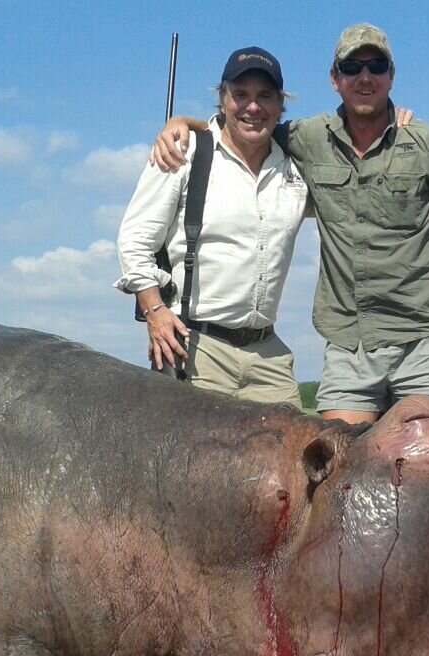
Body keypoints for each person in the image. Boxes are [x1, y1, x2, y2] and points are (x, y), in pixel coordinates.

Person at [152, 24, 429, 423]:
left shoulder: (427, 143)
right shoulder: (307, 137)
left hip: (427, 340)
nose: (365, 77)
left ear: (391, 76)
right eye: (352, 67)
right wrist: (184, 123)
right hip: (350, 344)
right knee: (336, 464)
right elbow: (245, 125)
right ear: (335, 79)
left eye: (376, 66)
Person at [115, 46, 308, 407]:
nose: (253, 107)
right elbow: (135, 238)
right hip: (196, 346)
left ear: (282, 104)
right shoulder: (183, 152)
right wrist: (156, 312)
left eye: (265, 96)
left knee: (299, 457)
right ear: (222, 99)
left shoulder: (295, 169)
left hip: (268, 354)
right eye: (241, 95)